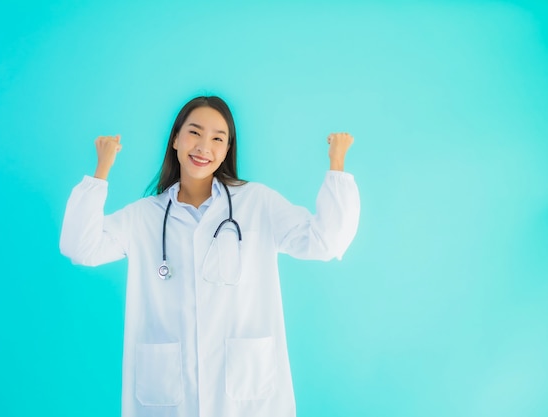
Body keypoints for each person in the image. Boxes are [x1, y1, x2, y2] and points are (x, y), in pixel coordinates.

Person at [60, 95, 360, 417]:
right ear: (175, 138)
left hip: (247, 400)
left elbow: (327, 241)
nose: (204, 146)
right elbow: (81, 247)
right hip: (169, 399)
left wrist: (337, 165)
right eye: (194, 132)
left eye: (218, 138)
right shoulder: (144, 217)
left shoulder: (258, 203)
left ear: (227, 150)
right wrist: (100, 172)